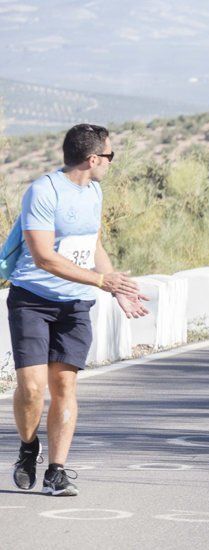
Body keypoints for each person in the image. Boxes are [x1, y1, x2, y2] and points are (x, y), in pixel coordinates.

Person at [9, 123, 149, 496]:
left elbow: (93, 246)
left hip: (75, 302)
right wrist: (101, 282)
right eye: (110, 156)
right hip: (33, 299)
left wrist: (114, 288)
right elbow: (43, 257)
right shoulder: (44, 191)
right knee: (32, 388)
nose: (110, 163)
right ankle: (27, 448)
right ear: (93, 158)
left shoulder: (95, 192)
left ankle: (57, 470)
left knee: (65, 384)